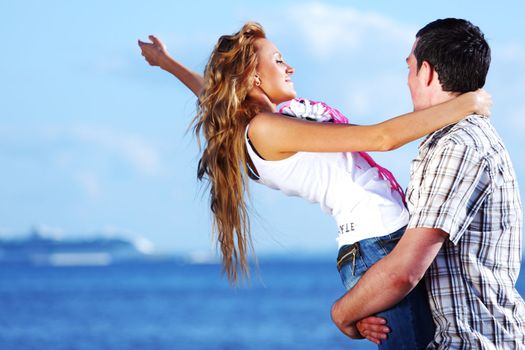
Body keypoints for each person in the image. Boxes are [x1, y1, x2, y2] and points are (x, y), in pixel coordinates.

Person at [138, 22, 491, 348]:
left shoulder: (259, 122)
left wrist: (166, 62)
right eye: (278, 61)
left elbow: (212, 94)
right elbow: (380, 138)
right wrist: (467, 103)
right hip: (379, 246)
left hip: (380, 244)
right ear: (252, 78)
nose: (289, 67)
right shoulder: (264, 130)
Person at [330, 18, 525, 349]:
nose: (407, 80)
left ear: (428, 72)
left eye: (410, 68)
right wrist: (373, 303)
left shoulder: (459, 144)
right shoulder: (453, 140)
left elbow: (404, 271)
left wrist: (341, 312)